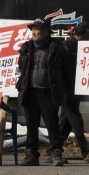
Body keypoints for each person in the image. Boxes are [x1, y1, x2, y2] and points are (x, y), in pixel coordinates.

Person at [16, 17, 68, 166]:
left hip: (48, 93)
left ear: (46, 32)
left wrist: (64, 92)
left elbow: (66, 72)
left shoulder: (57, 48)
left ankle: (56, 153)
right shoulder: (26, 47)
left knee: (52, 124)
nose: (33, 32)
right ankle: (32, 155)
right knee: (31, 125)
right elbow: (21, 67)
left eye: (37, 29)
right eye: (32, 29)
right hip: (29, 92)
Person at [56, 22, 89, 163]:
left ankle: (53, 150)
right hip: (67, 91)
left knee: (66, 123)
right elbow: (60, 71)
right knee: (77, 121)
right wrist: (62, 90)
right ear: (77, 35)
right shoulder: (66, 47)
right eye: (86, 36)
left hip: (77, 89)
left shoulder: (83, 46)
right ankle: (86, 151)